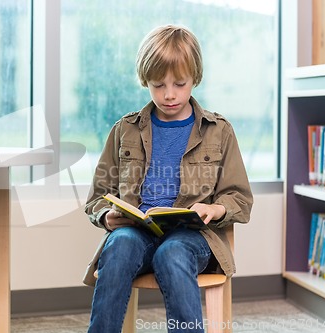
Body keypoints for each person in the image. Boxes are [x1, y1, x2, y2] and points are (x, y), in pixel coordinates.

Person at [83, 24, 253, 333]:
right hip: (137, 231)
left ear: (195, 78)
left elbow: (239, 196)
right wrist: (107, 217)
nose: (169, 94)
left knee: (172, 253)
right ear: (144, 80)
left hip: (193, 237)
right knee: (119, 246)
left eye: (179, 83)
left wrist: (214, 209)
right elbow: (99, 195)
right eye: (158, 84)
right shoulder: (125, 130)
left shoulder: (219, 131)